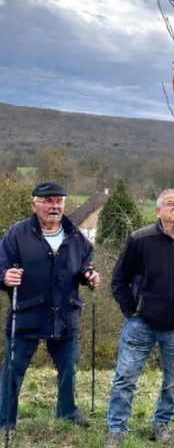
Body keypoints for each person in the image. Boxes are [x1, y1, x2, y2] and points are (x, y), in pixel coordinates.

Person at [105, 189, 174, 448]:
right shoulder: (140, 240)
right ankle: (117, 429)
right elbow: (119, 280)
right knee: (125, 377)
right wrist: (132, 310)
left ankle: (162, 424)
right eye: (171, 204)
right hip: (140, 325)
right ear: (158, 211)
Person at [0, 181, 99, 432]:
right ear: (35, 205)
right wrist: (4, 277)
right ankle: (5, 420)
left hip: (65, 314)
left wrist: (89, 275)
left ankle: (67, 411)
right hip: (26, 314)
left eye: (59, 201)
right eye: (48, 200)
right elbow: (2, 267)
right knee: (13, 371)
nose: (54, 206)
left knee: (68, 369)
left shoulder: (76, 237)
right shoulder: (17, 234)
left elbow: (86, 263)